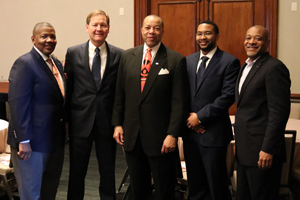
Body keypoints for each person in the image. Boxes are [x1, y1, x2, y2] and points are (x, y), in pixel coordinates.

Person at [112, 15, 189, 200]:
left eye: (156, 28)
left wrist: (172, 134)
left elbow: (179, 102)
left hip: (161, 139)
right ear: (141, 30)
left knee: (164, 189)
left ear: (162, 31)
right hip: (132, 135)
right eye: (147, 28)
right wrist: (117, 124)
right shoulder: (127, 56)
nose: (151, 32)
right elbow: (119, 94)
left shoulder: (175, 59)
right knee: (138, 188)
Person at [64, 10, 123, 200]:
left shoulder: (119, 55)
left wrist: (118, 122)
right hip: (80, 121)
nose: (99, 29)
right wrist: (65, 121)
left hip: (107, 122)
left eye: (103, 25)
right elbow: (69, 88)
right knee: (76, 169)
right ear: (87, 27)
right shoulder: (73, 53)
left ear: (108, 29)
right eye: (95, 25)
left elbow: (119, 93)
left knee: (108, 170)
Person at [8, 22, 66, 200]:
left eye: (52, 36)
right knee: (31, 193)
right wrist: (23, 140)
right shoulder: (24, 63)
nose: (49, 40)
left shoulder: (55, 63)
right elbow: (18, 104)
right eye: (44, 36)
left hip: (53, 140)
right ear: (33, 39)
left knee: (49, 190)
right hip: (31, 144)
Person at [184, 20, 240, 200]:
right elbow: (182, 94)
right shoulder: (188, 61)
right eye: (199, 33)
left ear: (217, 36)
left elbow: (227, 96)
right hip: (191, 134)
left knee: (217, 184)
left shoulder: (229, 61)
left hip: (214, 133)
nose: (202, 37)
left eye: (207, 33)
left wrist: (200, 117)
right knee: (195, 184)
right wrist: (190, 121)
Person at [234, 25, 291, 200]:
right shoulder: (245, 67)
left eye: (257, 38)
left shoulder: (274, 68)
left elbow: (278, 113)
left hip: (262, 152)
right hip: (245, 150)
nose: (251, 42)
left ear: (267, 42)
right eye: (248, 37)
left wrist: (268, 149)